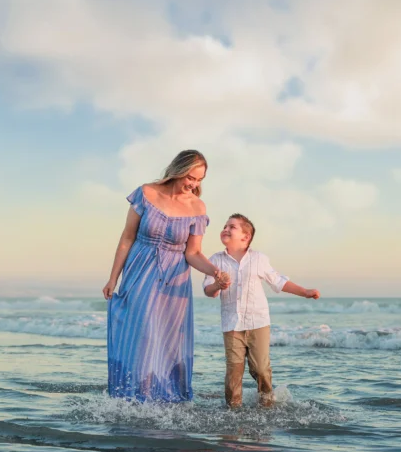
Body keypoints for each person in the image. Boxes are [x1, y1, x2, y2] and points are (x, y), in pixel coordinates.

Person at [103, 149, 223, 402]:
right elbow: (127, 238)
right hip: (140, 271)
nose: (193, 184)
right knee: (142, 332)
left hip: (175, 280)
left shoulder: (197, 207)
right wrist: (113, 277)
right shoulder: (146, 193)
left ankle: (163, 399)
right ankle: (134, 395)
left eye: (199, 180)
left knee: (167, 338)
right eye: (190, 177)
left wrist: (214, 271)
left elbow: (193, 253)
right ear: (178, 170)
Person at [203, 213, 320, 408]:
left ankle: (266, 405)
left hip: (258, 323)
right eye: (224, 225)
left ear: (245, 236)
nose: (225, 229)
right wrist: (217, 285)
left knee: (261, 368)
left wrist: (305, 292)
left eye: (232, 226)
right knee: (234, 370)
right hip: (231, 324)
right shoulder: (215, 260)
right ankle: (233, 409)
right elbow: (208, 290)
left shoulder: (259, 258)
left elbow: (279, 282)